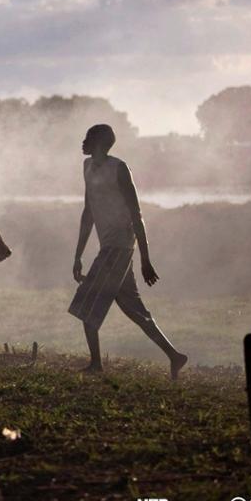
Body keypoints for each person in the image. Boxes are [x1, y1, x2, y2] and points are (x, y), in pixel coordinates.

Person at [68, 124, 187, 379]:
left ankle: (96, 364)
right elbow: (88, 212)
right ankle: (175, 356)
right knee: (135, 310)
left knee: (87, 301)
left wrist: (145, 259)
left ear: (100, 143)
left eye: (88, 137)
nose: (83, 141)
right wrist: (78, 254)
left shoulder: (119, 170)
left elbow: (137, 215)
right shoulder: (87, 168)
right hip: (109, 246)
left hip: (119, 245)